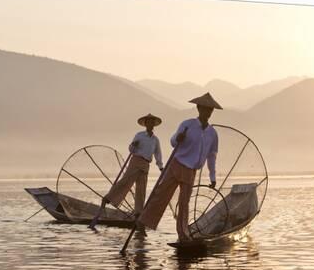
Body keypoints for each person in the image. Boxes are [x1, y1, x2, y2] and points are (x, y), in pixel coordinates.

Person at [136, 92, 222, 242]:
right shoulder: (187, 125)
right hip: (177, 164)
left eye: (210, 110)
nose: (207, 112)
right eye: (205, 109)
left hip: (191, 170)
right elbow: (173, 142)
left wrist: (212, 176)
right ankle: (143, 222)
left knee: (184, 203)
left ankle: (183, 234)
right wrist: (178, 138)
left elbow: (212, 156)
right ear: (198, 108)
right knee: (161, 195)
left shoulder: (212, 134)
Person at [88, 114, 163, 229]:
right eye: (148, 122)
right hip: (136, 161)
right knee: (126, 182)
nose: (150, 124)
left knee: (141, 190)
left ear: (154, 125)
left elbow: (158, 153)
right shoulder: (139, 135)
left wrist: (160, 166)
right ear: (145, 124)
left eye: (152, 122)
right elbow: (131, 149)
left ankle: (138, 213)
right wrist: (133, 145)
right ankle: (108, 198)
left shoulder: (155, 139)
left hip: (146, 164)